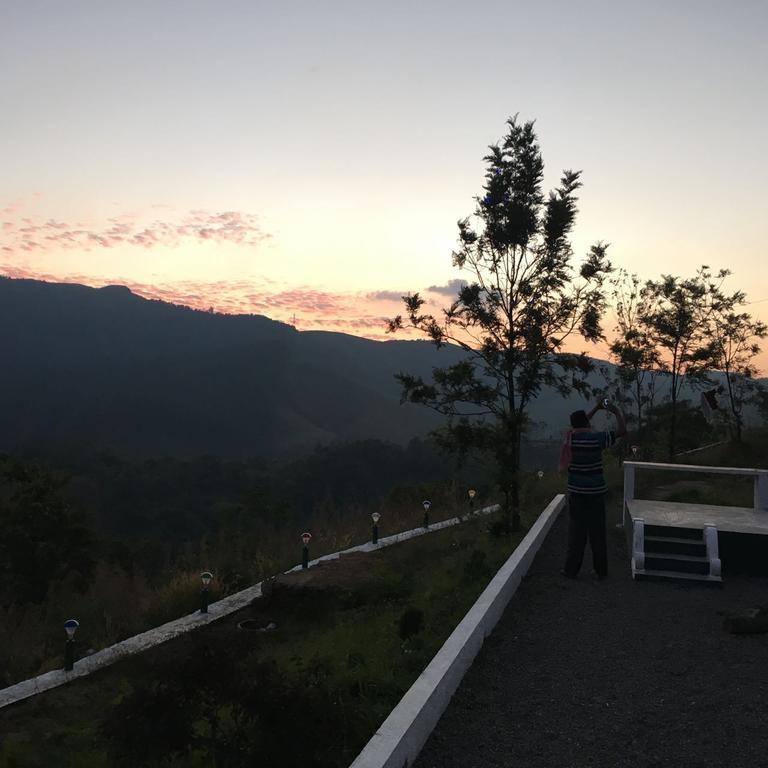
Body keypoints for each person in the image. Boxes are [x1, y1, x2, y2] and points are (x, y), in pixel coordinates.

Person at [559, 398, 626, 580]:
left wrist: (595, 408)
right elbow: (621, 432)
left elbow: (579, 424)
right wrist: (616, 412)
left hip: (576, 493)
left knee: (576, 533)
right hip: (596, 493)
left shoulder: (570, 440)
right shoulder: (597, 439)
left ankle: (571, 570)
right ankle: (600, 571)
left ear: (574, 425)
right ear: (587, 423)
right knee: (597, 533)